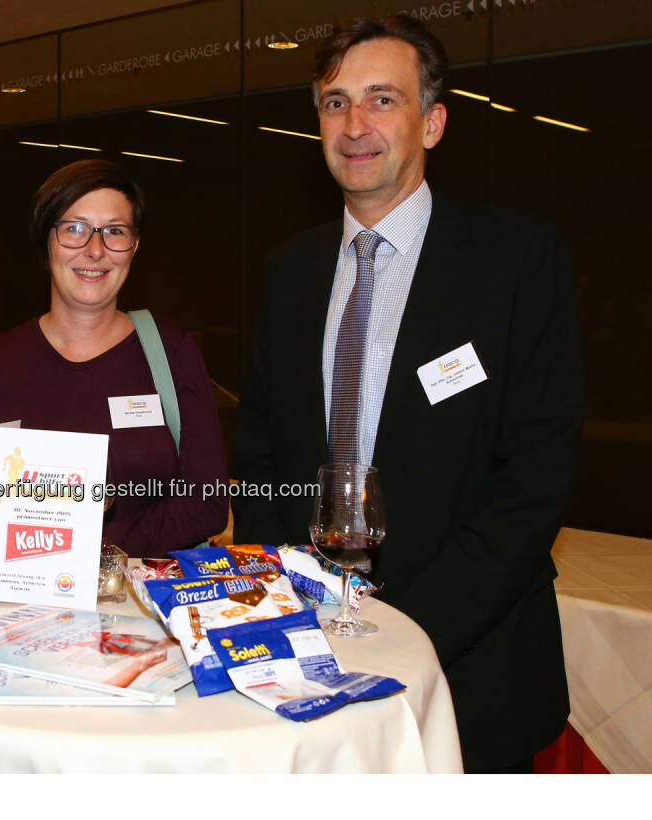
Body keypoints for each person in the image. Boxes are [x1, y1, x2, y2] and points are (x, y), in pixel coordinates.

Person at [232, 15, 583, 773]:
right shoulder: (289, 272)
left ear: (433, 120)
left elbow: (536, 478)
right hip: (310, 652)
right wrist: (286, 597)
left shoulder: (516, 261)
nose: (355, 125)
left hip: (470, 664)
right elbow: (259, 448)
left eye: (382, 99)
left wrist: (407, 626)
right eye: (334, 103)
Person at [0, 160, 228, 557]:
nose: (95, 250)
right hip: (34, 601)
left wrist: (94, 557)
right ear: (47, 240)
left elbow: (206, 504)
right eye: (74, 229)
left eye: (114, 232)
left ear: (134, 246)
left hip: (149, 604)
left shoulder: (172, 350)